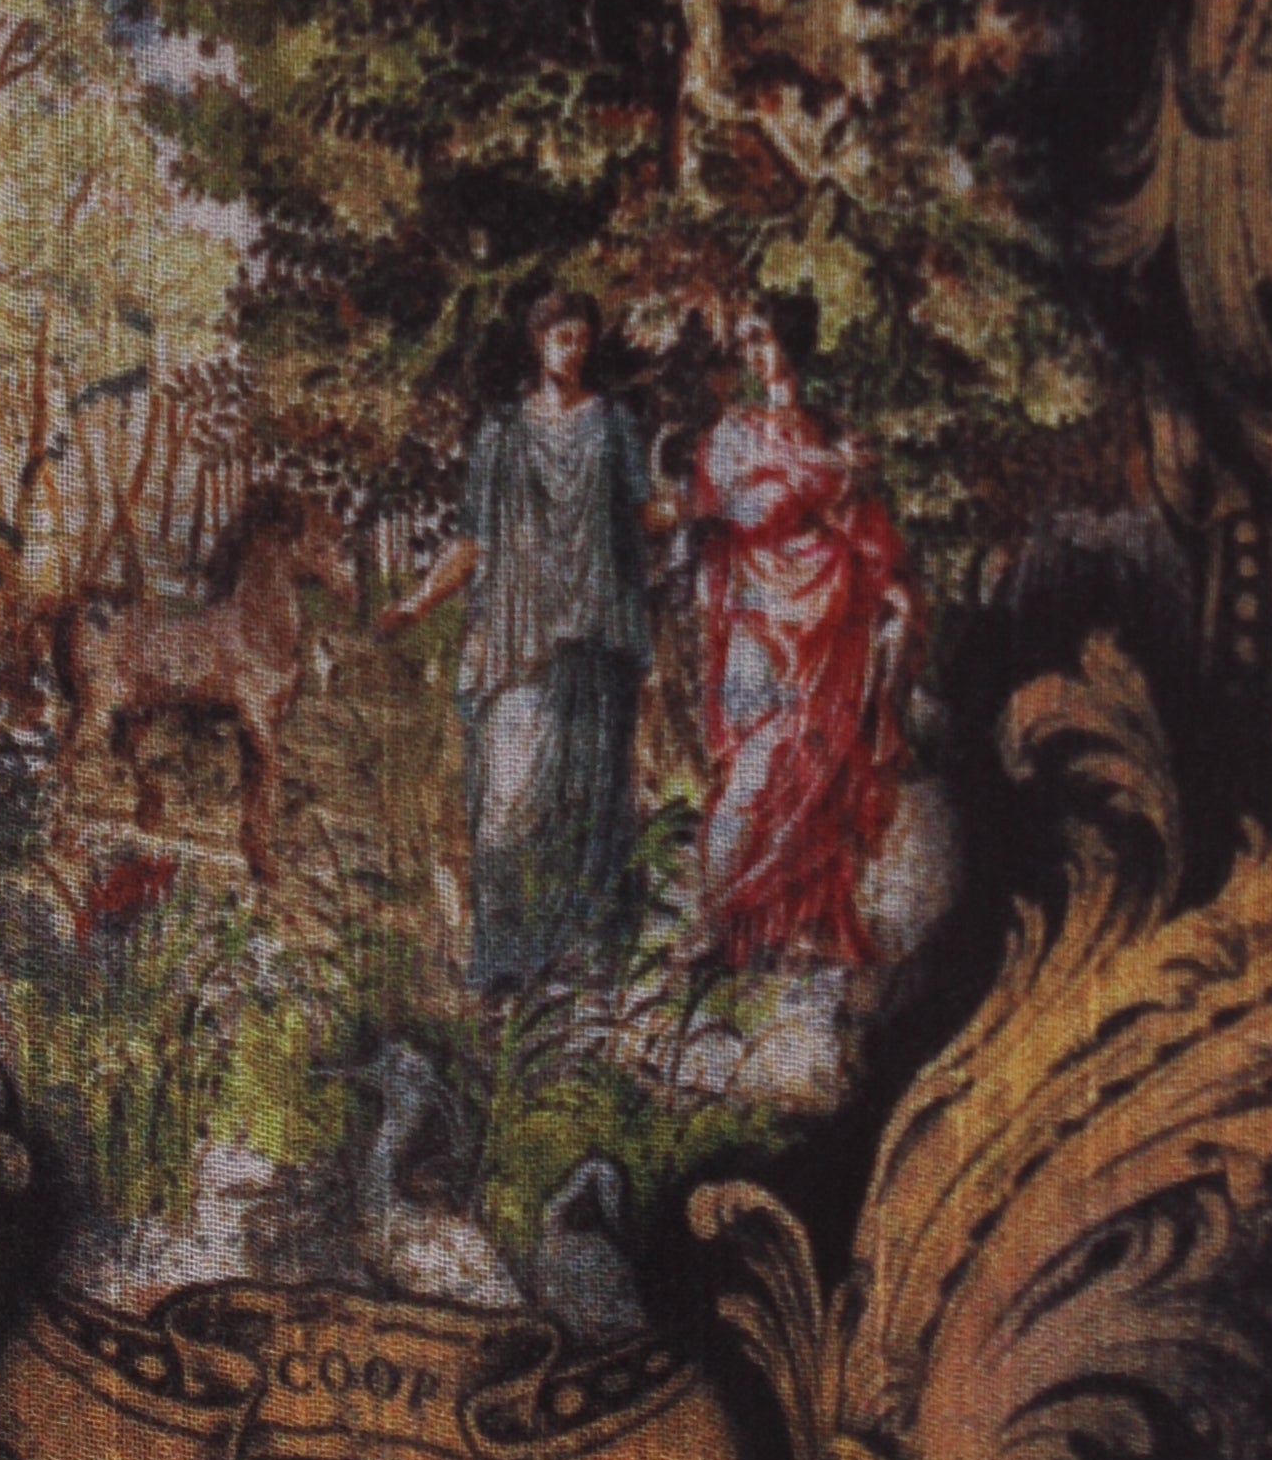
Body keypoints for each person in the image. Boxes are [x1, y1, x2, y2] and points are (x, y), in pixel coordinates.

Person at [383, 289, 657, 989]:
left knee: (589, 807)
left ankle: (585, 977)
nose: (573, 349)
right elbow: (472, 540)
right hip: (519, 637)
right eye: (561, 337)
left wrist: (699, 505)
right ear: (538, 343)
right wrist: (418, 601)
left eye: (582, 338)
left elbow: (645, 515)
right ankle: (506, 967)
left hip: (594, 640)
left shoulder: (614, 426)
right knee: (507, 809)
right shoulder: (501, 434)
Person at [684, 294, 921, 974]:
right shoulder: (735, 432)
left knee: (819, 772)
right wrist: (826, 474)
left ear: (793, 343)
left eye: (765, 338)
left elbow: (863, 528)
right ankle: (714, 920)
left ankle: (797, 930)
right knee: (753, 771)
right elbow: (746, 508)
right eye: (748, 342)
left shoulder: (833, 432)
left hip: (831, 621)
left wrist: (892, 589)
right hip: (761, 615)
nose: (755, 354)